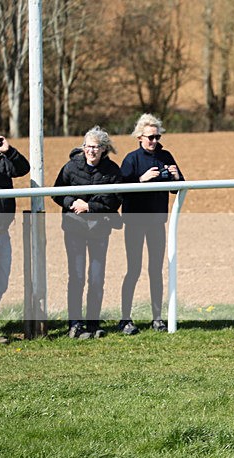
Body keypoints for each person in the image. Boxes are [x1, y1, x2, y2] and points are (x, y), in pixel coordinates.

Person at [52, 126, 122, 339]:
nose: (91, 151)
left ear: (103, 149)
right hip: (74, 228)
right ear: (83, 147)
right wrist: (73, 202)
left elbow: (115, 200)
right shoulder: (71, 167)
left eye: (96, 147)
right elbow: (56, 193)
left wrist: (90, 207)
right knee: (77, 276)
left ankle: (93, 323)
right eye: (88, 146)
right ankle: (75, 324)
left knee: (96, 277)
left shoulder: (112, 171)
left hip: (99, 230)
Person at [118, 113, 184, 335]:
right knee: (133, 270)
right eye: (150, 137)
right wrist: (141, 180)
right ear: (139, 137)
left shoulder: (166, 155)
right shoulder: (131, 159)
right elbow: (119, 190)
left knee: (156, 270)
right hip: (135, 222)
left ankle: (157, 318)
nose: (154, 141)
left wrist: (176, 177)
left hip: (157, 221)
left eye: (157, 137)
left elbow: (178, 188)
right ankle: (125, 318)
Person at [0, 133, 30, 344]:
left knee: (0, 284)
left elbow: (23, 169)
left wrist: (9, 150)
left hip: (2, 231)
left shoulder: (2, 159)